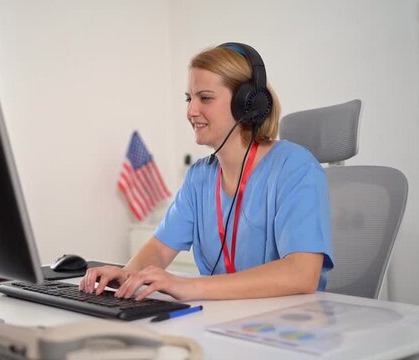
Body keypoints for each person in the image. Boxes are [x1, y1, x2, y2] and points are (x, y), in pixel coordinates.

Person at [79, 42, 333, 301]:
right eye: (189, 98)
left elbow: (303, 273)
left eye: (205, 98)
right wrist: (127, 275)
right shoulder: (199, 177)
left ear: (247, 104)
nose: (191, 111)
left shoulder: (295, 168)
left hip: (289, 324)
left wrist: (190, 286)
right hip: (223, 320)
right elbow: (159, 248)